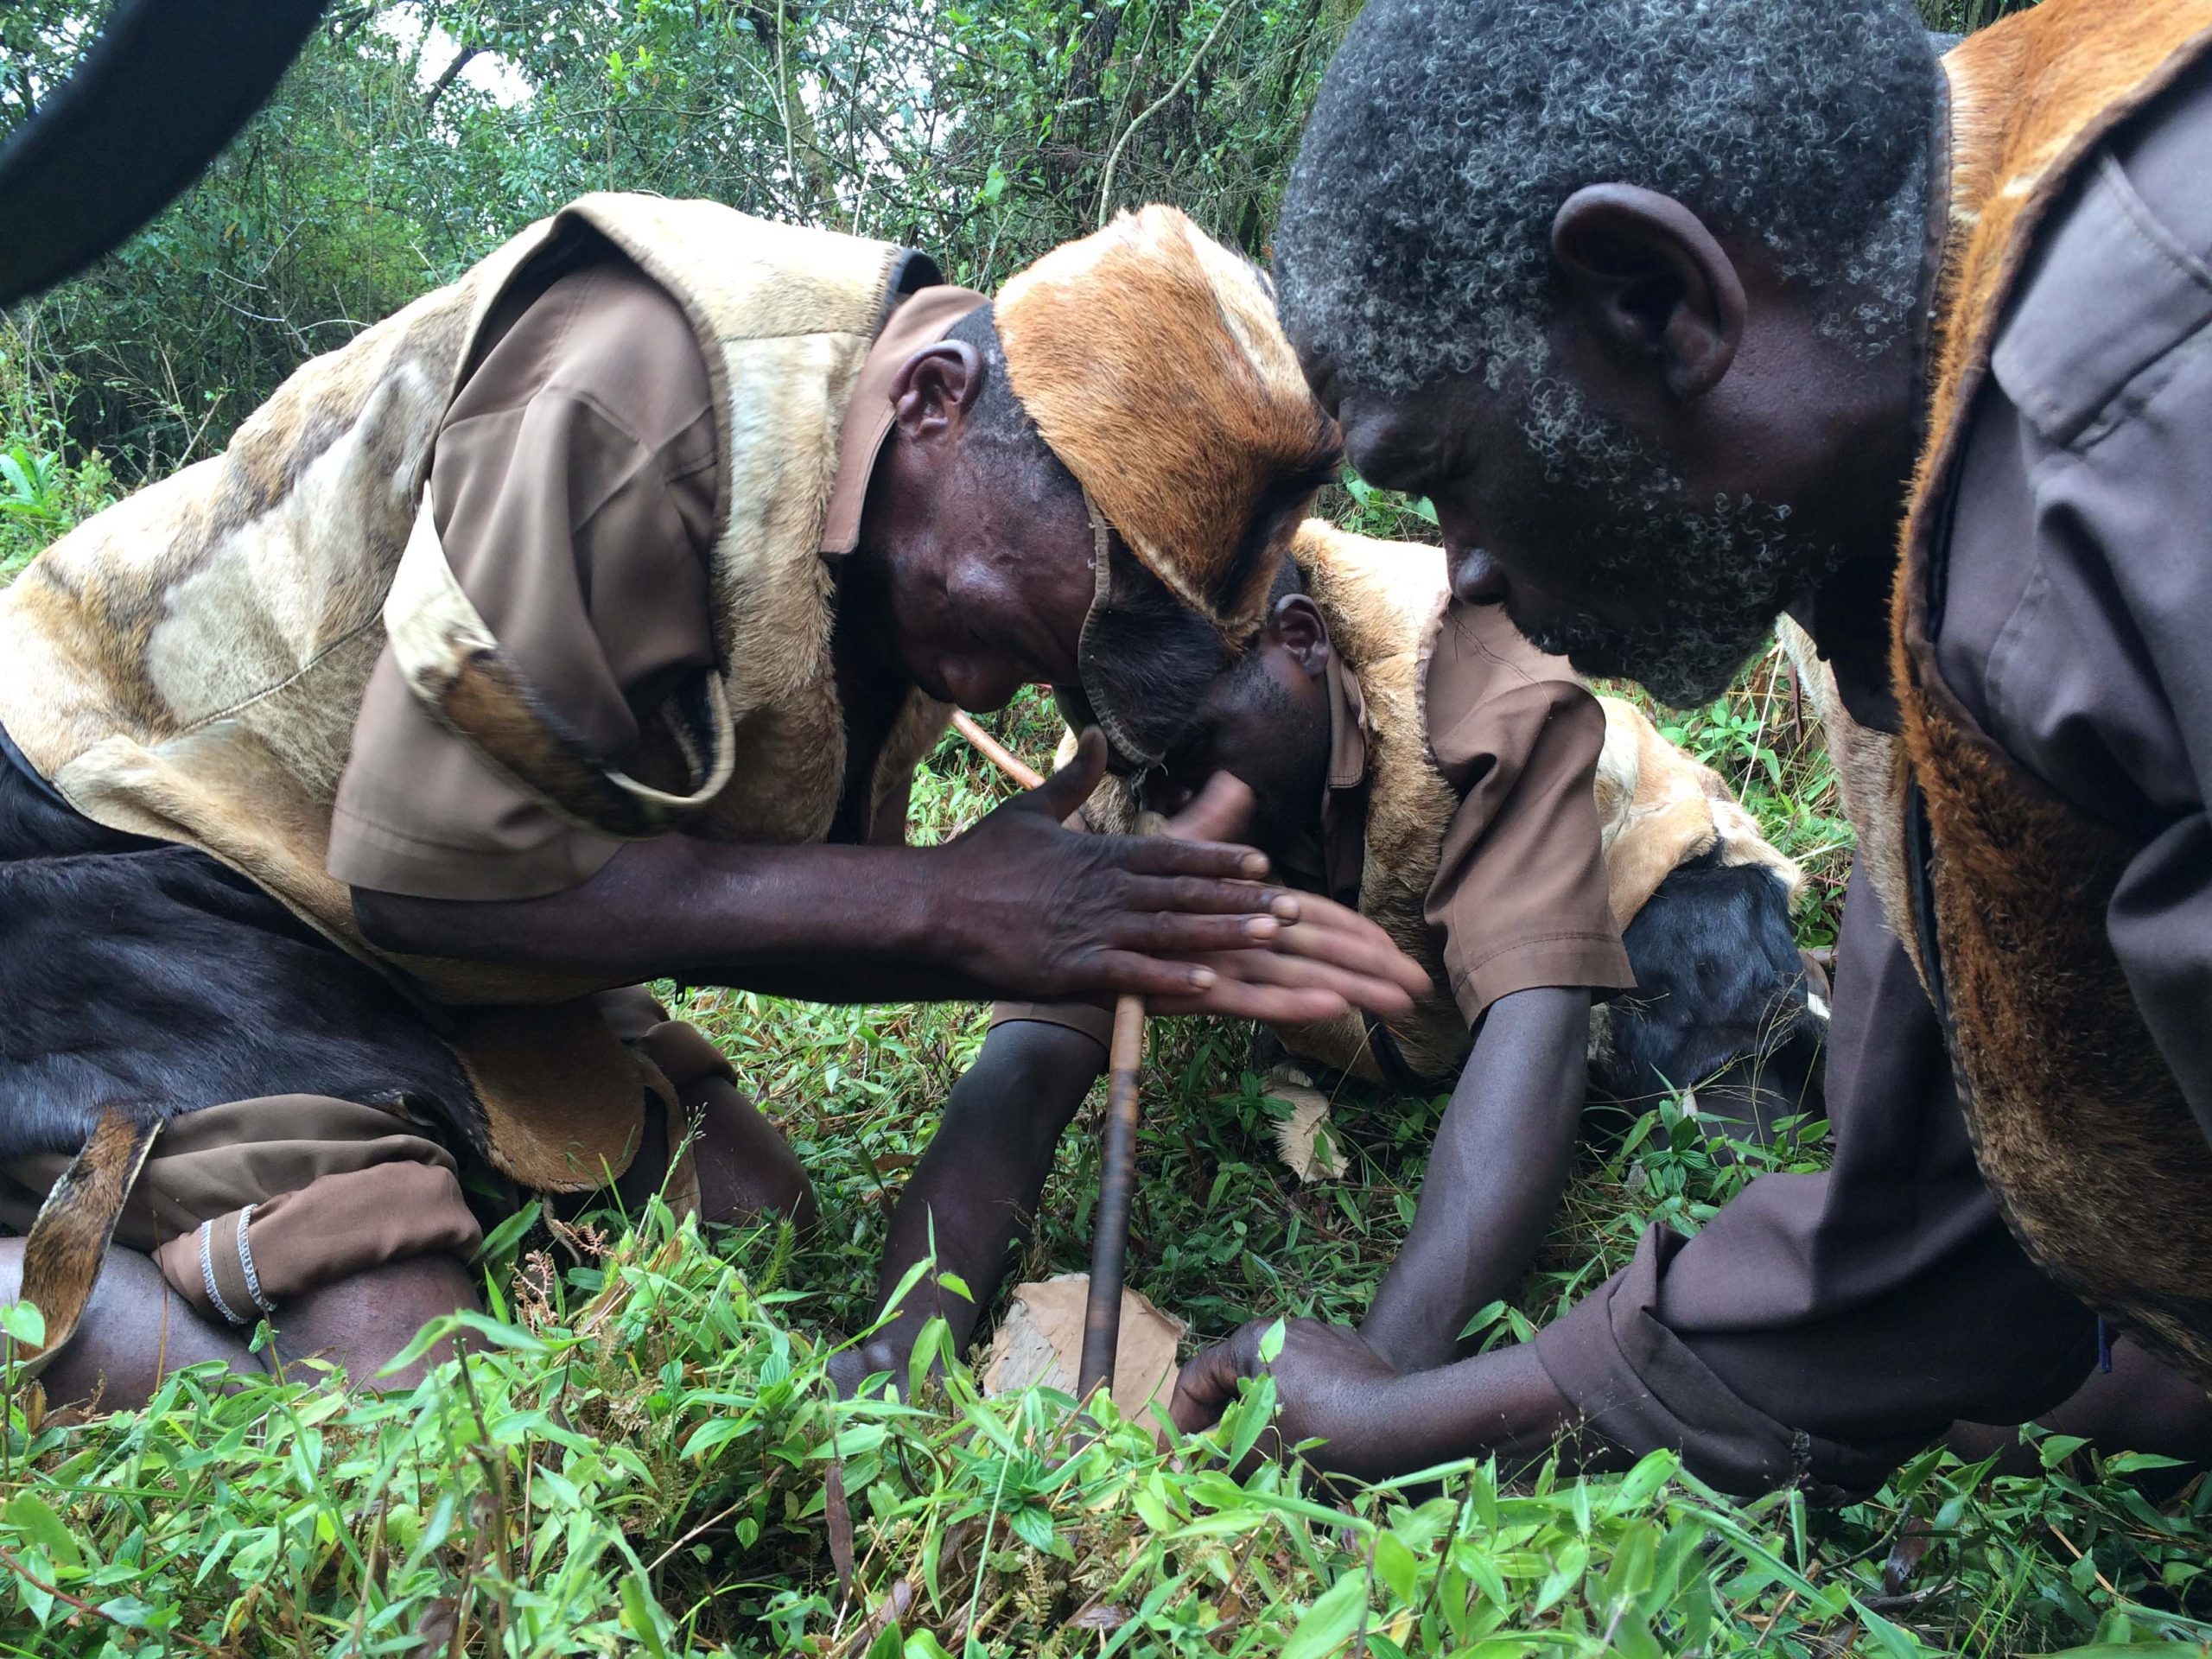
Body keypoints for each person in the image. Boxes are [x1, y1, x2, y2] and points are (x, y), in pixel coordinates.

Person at [0, 199, 1429, 1406]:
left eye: (1045, 671)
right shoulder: (633, 383)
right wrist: (941, 902)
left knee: (756, 1226)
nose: (991, 699)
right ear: (939, 403)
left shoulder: (920, 541)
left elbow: (754, 903)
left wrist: (1012, 929)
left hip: (455, 909)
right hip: (136, 833)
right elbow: (418, 874)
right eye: (1009, 632)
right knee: (398, 1376)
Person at [1171, 0, 2212, 1496]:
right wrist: (1397, 1426)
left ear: (1656, 300)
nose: (1455, 570)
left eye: (1450, 475)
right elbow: (1927, 1231)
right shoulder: (1914, 510)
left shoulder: (2124, 426)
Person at [841, 518, 1824, 1391]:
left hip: (1647, 901)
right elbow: (1023, 1068)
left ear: (1299, 645)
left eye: (1191, 761)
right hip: (1408, 1015)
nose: (1179, 811)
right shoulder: (1126, 757)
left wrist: (1372, 1391)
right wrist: (902, 1339)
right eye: (1145, 778)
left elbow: (1535, 1026)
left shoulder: (1470, 666)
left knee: (1732, 1137)